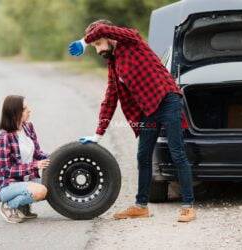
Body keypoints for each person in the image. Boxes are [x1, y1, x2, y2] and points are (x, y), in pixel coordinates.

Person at [69, 20, 196, 222]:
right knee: (143, 155)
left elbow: (102, 29)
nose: (97, 49)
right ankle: (141, 206)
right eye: (93, 46)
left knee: (176, 152)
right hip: (149, 110)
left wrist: (83, 42)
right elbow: (110, 99)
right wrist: (98, 134)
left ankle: (188, 206)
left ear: (110, 38)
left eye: (98, 43)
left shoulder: (132, 40)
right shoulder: (114, 65)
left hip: (168, 99)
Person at [0, 95, 50, 223]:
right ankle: (10, 205)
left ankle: (22, 207)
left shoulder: (28, 127)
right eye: (25, 108)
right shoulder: (4, 137)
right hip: (8, 185)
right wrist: (34, 165)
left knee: (54, 185)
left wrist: (57, 157)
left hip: (27, 180)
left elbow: (37, 153)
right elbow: (6, 170)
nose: (29, 110)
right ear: (15, 113)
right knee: (41, 190)